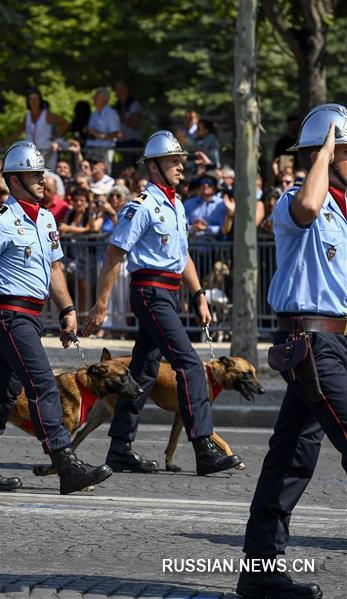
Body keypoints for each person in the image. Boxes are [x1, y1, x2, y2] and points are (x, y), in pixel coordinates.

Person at [0, 141, 113, 495]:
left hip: (31, 316)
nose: (43, 180)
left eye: (42, 174)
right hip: (8, 314)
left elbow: (55, 268)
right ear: (14, 180)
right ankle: (65, 462)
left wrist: (67, 310)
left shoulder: (46, 218)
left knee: (2, 394)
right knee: (43, 384)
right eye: (35, 175)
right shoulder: (0, 221)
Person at [81, 131, 242, 476]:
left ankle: (120, 449)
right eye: (173, 161)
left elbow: (182, 258)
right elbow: (114, 253)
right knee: (190, 365)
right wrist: (101, 304)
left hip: (169, 294)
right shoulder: (141, 206)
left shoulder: (176, 204)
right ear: (154, 166)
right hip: (150, 292)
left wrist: (199, 295)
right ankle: (204, 447)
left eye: (181, 160)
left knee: (142, 373)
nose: (182, 166)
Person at [236, 104, 347, 599]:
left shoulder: (342, 211)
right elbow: (307, 207)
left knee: (290, 459)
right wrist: (324, 151)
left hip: (335, 342)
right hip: (311, 342)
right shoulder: (295, 201)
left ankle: (259, 574)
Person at [8, 88, 70, 168]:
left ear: (40, 100)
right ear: (28, 101)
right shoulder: (27, 116)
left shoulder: (47, 115)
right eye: (31, 99)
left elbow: (66, 124)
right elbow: (17, 133)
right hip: (31, 154)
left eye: (36, 99)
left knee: (49, 177)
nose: (34, 102)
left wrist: (56, 136)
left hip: (47, 153)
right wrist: (5, 144)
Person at [85, 87, 121, 167]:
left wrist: (101, 136)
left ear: (104, 100)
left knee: (104, 173)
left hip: (104, 149)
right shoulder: (94, 113)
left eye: (96, 97)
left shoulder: (111, 113)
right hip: (91, 148)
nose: (93, 99)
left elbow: (117, 134)